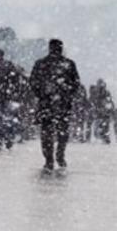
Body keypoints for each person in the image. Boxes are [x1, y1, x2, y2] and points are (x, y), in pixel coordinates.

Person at [30, 39, 81, 173]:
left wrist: (45, 93)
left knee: (51, 133)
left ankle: (52, 158)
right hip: (56, 104)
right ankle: (54, 157)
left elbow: (33, 82)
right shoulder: (66, 64)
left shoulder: (43, 64)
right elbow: (33, 82)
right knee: (58, 132)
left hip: (52, 104)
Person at [0, 49, 22, 150]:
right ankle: (3, 141)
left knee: (3, 120)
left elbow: (15, 80)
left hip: (3, 97)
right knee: (3, 120)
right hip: (2, 97)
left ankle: (3, 141)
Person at [88, 79, 114, 144]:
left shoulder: (106, 92)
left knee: (104, 125)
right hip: (99, 113)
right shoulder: (95, 93)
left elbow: (109, 101)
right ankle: (102, 137)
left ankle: (105, 138)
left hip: (103, 113)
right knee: (99, 126)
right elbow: (91, 101)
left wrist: (110, 108)